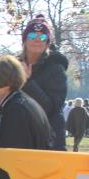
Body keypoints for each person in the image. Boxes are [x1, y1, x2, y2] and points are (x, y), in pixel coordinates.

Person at [19, 15, 68, 150]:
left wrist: (27, 82)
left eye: (42, 37)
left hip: (48, 139)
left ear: (47, 42)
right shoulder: (14, 66)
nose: (37, 40)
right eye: (32, 36)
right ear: (24, 40)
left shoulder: (56, 68)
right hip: (18, 134)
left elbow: (52, 107)